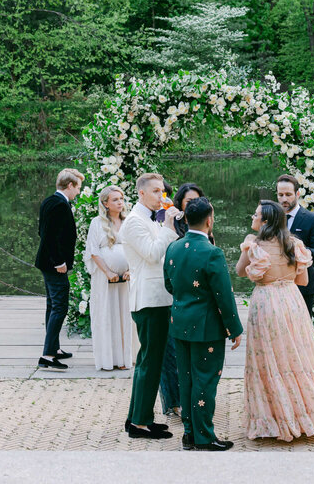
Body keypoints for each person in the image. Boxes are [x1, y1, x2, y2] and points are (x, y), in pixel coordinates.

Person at [236, 200, 314, 441]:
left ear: (265, 221)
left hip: (265, 303)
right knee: (296, 356)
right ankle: (303, 415)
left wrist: (246, 250)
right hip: (291, 302)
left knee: (268, 360)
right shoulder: (294, 244)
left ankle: (274, 419)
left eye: (255, 214)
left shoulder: (253, 244)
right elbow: (303, 281)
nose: (252, 217)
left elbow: (240, 272)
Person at [164, 197, 244, 451]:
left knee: (186, 380)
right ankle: (204, 436)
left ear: (186, 219)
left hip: (179, 324)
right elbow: (224, 295)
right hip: (206, 327)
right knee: (206, 381)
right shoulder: (212, 252)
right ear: (209, 220)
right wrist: (234, 329)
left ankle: (189, 434)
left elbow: (169, 285)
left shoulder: (173, 248)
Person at [119, 173, 176, 439]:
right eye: (156, 191)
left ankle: (137, 417)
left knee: (147, 360)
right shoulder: (133, 222)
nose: (161, 196)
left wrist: (168, 226)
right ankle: (140, 424)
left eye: (163, 191)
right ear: (141, 193)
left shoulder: (152, 219)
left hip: (159, 297)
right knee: (150, 361)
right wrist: (168, 226)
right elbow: (153, 254)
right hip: (148, 298)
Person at [158, 181, 205, 418]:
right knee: (170, 351)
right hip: (174, 295)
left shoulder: (205, 225)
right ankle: (172, 401)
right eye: (188, 201)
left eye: (197, 200)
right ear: (179, 203)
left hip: (198, 300)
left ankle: (193, 397)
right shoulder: (169, 223)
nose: (193, 205)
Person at [34, 168, 83, 371]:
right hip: (54, 264)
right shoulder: (59, 205)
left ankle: (54, 347)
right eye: (78, 187)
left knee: (51, 305)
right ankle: (47, 355)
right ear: (70, 185)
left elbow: (41, 231)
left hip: (47, 262)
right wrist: (59, 262)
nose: (79, 192)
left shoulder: (49, 201)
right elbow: (49, 237)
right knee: (60, 306)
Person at [85, 186, 134, 371]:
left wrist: (131, 269)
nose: (120, 202)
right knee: (107, 314)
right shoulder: (96, 223)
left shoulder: (129, 222)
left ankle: (125, 359)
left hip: (126, 281)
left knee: (125, 316)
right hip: (105, 280)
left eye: (121, 198)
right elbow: (93, 251)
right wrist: (108, 272)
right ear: (105, 203)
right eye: (115, 199)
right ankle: (108, 359)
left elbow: (136, 249)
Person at [276, 174, 314, 317]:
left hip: (303, 286)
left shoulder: (312, 219)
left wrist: (298, 250)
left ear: (297, 194)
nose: (284, 199)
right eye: (280, 195)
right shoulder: (272, 219)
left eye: (288, 194)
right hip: (277, 286)